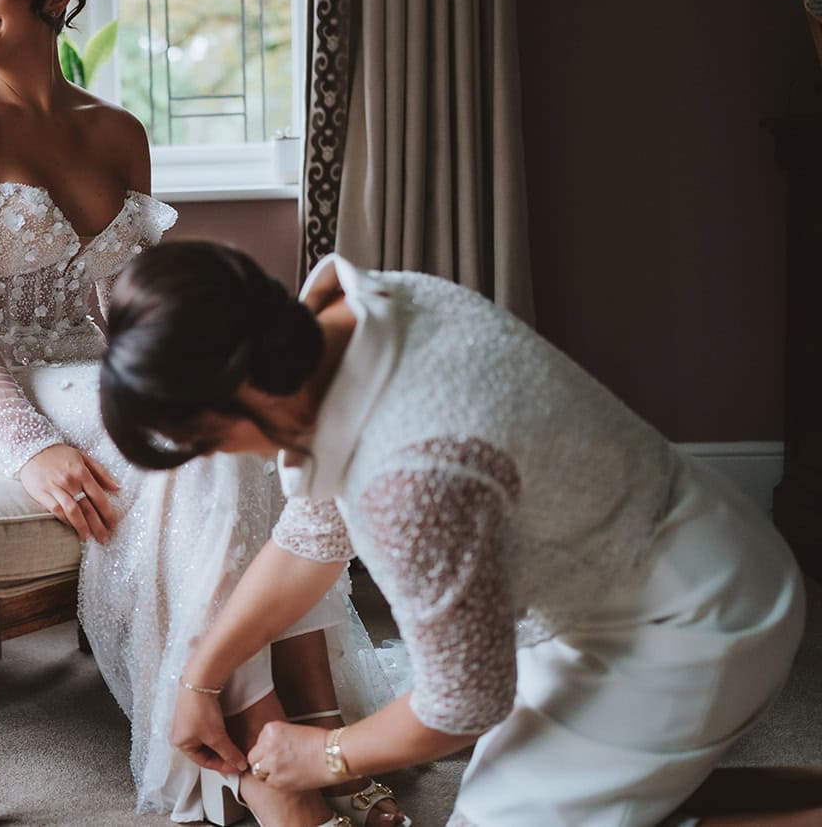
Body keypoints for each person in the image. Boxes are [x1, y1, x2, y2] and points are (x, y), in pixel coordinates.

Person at [0, 0, 407, 827]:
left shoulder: (116, 131)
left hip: (90, 368)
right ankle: (263, 754)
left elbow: (127, 305)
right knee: (182, 450)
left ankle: (314, 720)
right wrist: (29, 445)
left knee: (229, 432)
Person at [97, 241, 810, 826]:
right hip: (662, 543)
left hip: (686, 622)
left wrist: (326, 755)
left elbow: (465, 699)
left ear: (248, 386)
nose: (219, 457)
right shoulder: (364, 311)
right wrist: (202, 671)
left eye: (209, 437)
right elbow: (314, 532)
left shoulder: (408, 476)